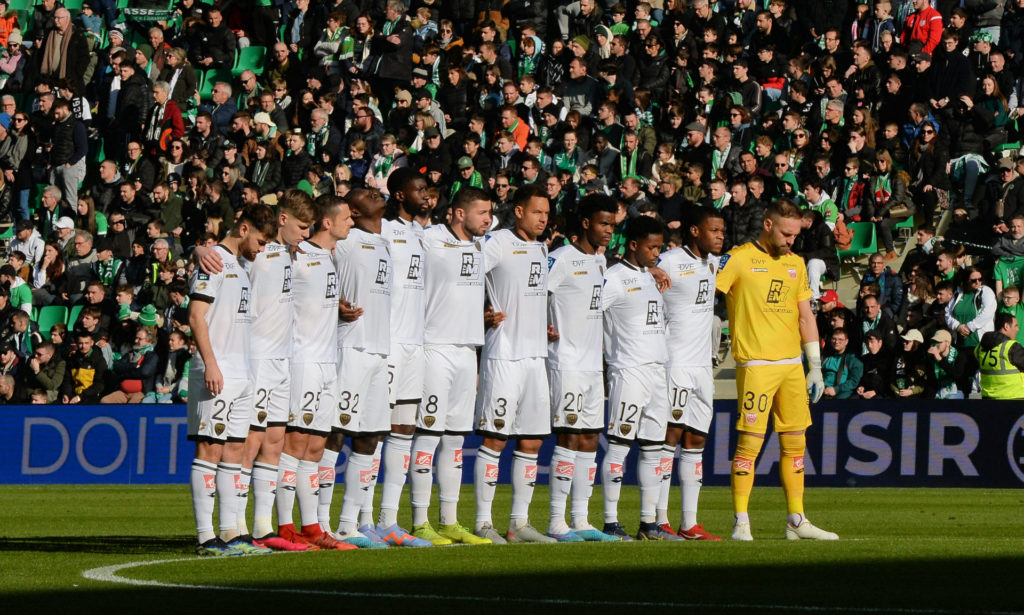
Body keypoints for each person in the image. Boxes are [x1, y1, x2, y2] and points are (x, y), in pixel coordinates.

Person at [196, 191, 317, 551]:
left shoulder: (283, 253)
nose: (304, 235)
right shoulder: (255, 254)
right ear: (282, 221)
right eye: (300, 227)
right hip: (255, 358)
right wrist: (199, 249)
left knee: (274, 443)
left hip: (281, 359)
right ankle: (234, 525)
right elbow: (218, 254)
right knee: (244, 444)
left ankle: (262, 528)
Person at [715, 198, 838, 541]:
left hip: (791, 367)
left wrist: (814, 367)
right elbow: (707, 294)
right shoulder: (738, 259)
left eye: (796, 235)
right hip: (756, 365)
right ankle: (741, 521)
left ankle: (796, 520)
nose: (791, 240)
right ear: (768, 225)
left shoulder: (796, 263)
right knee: (750, 445)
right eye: (786, 233)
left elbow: (805, 316)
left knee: (796, 445)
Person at [186, 204, 277, 557]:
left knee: (235, 453)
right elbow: (196, 316)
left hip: (241, 373)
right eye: (260, 239)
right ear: (243, 229)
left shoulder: (238, 266)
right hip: (217, 369)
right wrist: (210, 364)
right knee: (209, 450)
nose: (262, 247)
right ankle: (206, 536)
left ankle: (230, 533)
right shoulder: (214, 263)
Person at [408, 187, 494, 546]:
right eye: (481, 213)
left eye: (490, 213)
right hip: (434, 349)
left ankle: (449, 521)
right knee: (428, 435)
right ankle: (418, 522)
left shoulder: (481, 246)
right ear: (458, 213)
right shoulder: (429, 240)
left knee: (455, 442)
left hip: (466, 351)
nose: (488, 219)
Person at [473, 183, 555, 544]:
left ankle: (519, 524)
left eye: (547, 213)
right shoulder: (497, 243)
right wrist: (481, 313)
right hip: (504, 354)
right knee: (495, 438)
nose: (543, 219)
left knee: (532, 441)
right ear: (519, 211)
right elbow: (465, 279)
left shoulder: (542, 247)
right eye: (537, 212)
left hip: (536, 358)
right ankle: (482, 522)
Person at [273, 194, 356, 552]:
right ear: (328, 222)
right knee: (295, 444)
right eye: (348, 218)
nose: (352, 223)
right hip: (302, 359)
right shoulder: (296, 255)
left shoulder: (328, 257)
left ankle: (312, 527)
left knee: (317, 446)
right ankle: (285, 526)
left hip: (327, 362)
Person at [544, 193, 622, 543]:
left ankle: (580, 519)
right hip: (567, 361)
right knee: (569, 435)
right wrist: (542, 326)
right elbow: (535, 295)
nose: (609, 231)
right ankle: (556, 521)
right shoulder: (560, 258)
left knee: (591, 437)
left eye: (613, 225)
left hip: (593, 365)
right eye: (604, 224)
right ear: (587, 223)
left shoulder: (600, 262)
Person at [323, 188, 394, 549]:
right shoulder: (346, 241)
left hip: (380, 350)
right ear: (352, 209)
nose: (375, 192)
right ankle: (320, 524)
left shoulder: (385, 242)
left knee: (371, 437)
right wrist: (334, 303)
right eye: (366, 193)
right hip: (351, 345)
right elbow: (312, 262)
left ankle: (349, 524)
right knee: (335, 433)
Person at [599, 214, 675, 541]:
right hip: (629, 370)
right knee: (619, 446)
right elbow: (590, 312)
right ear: (633, 245)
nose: (657, 253)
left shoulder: (651, 275)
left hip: (658, 371)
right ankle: (610, 521)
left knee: (653, 449)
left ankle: (648, 523)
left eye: (659, 247)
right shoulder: (614, 278)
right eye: (651, 247)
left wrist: (653, 269)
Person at [370, 169, 434, 548]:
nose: (425, 195)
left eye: (427, 189)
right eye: (418, 189)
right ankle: (358, 520)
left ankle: (388, 522)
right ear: (398, 195)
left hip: (416, 345)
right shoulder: (383, 231)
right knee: (373, 433)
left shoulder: (422, 234)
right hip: (389, 342)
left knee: (404, 432)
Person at [656, 206, 725, 540]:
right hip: (676, 363)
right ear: (696, 231)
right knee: (669, 435)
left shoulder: (713, 262)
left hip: (702, 368)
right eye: (714, 231)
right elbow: (634, 273)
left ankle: (689, 523)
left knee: (696, 439)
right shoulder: (669, 261)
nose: (720, 236)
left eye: (722, 231)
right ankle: (658, 518)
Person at [975, 312, 1024, 399]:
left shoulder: (979, 347)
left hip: (989, 399)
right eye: (1015, 326)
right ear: (1006, 326)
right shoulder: (1011, 347)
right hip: (1014, 398)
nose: (1017, 329)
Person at [822, 328, 864, 399]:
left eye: (840, 339)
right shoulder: (825, 357)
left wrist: (836, 389)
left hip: (841, 396)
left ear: (846, 341)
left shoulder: (852, 360)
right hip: (822, 392)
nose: (836, 342)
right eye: (834, 339)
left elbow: (854, 381)